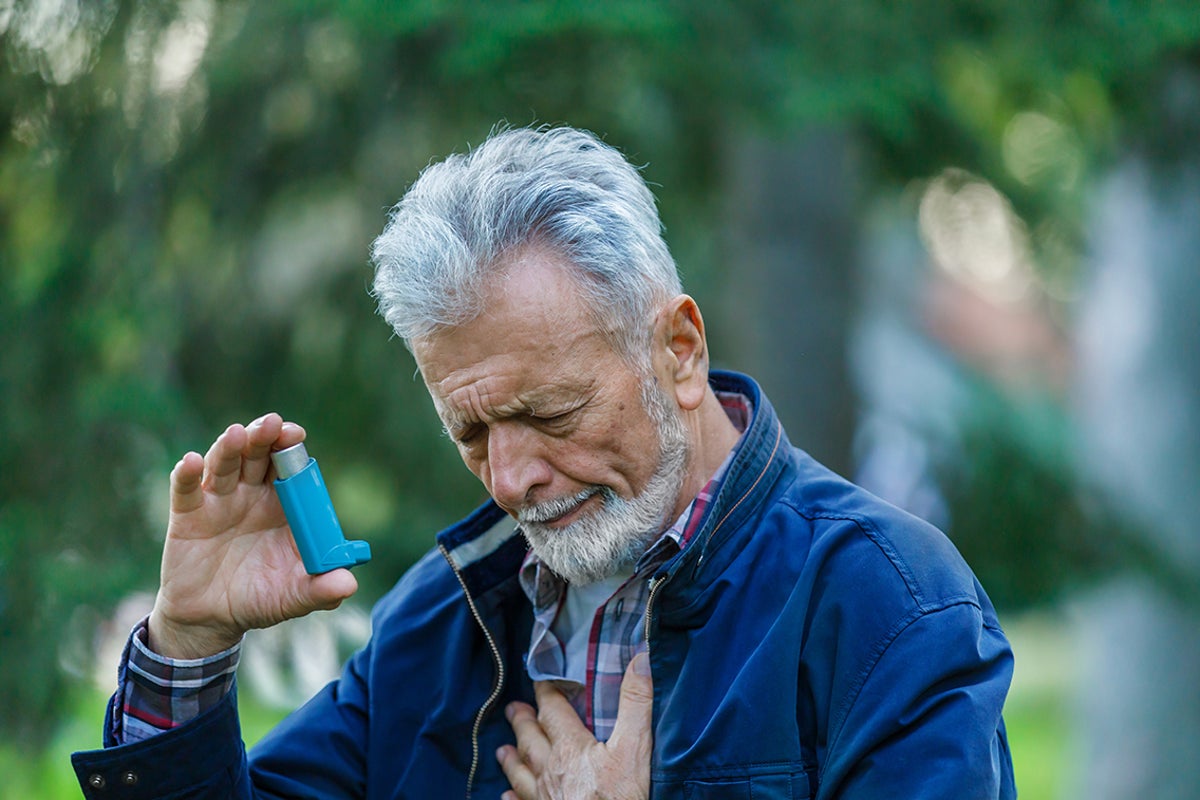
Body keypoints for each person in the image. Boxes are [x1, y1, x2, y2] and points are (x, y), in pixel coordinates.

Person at [71, 125, 1016, 799]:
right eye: (472, 434)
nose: (510, 478)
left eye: (550, 412)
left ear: (678, 350)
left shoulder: (891, 603)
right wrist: (188, 649)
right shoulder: (440, 625)